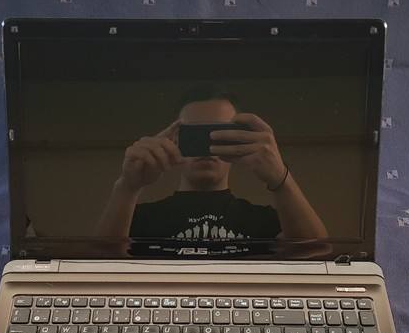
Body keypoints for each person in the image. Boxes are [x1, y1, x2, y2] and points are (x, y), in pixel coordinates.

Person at [96, 85, 328, 241]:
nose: (207, 145)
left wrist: (280, 177)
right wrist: (127, 187)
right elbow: (99, 268)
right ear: (175, 139)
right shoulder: (137, 219)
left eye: (219, 132)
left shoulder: (263, 221)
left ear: (239, 137)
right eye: (195, 134)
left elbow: (317, 257)